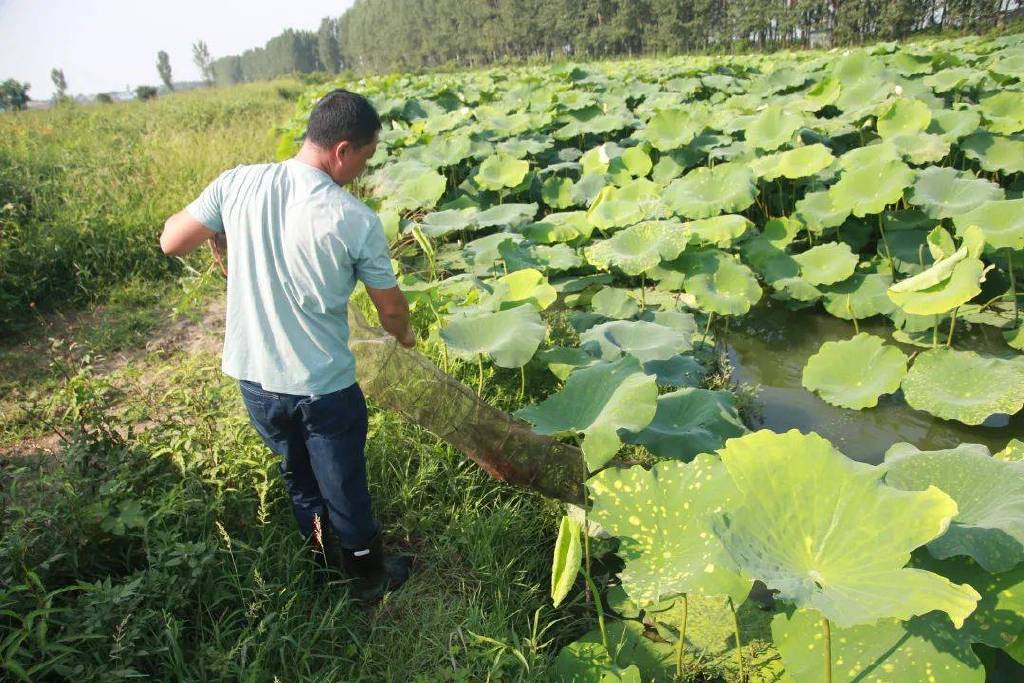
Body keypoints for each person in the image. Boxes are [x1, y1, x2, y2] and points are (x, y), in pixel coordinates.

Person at [159, 89, 415, 603]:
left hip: (254, 379)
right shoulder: (354, 218)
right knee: (344, 485)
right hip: (323, 387)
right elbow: (390, 307)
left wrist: (226, 231)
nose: (361, 172)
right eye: (363, 159)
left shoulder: (236, 182)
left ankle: (320, 566)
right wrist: (403, 336)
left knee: (299, 476)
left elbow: (171, 240)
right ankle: (367, 580)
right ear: (342, 151)